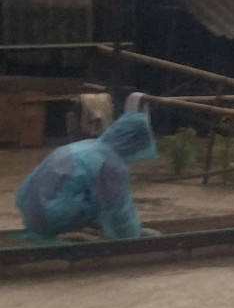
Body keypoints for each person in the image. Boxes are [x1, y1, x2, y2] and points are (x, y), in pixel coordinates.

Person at [14, 93, 157, 240]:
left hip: (31, 210)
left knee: (92, 196)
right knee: (106, 203)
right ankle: (67, 233)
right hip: (52, 216)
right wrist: (134, 235)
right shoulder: (110, 163)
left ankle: (60, 228)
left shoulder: (89, 146)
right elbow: (118, 209)